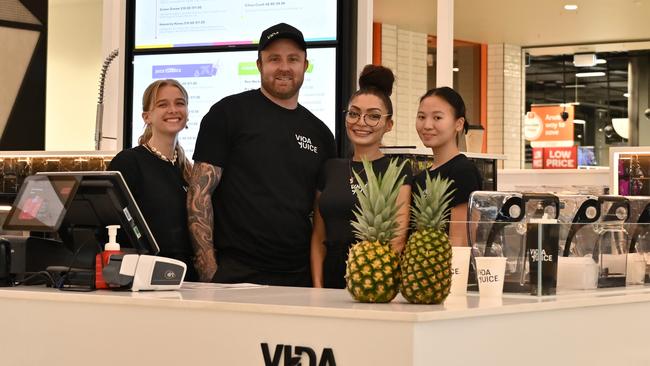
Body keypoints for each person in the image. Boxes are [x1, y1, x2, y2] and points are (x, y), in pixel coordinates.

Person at [188, 23, 336, 285]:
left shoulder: (321, 134)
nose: (284, 67)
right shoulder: (228, 113)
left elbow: (320, 217)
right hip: (236, 275)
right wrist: (208, 270)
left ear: (305, 65)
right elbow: (199, 195)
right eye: (274, 59)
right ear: (259, 65)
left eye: (293, 59)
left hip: (297, 277)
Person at [311, 65, 412, 289]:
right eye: (354, 113)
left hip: (375, 280)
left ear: (388, 125)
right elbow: (319, 237)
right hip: (330, 279)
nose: (361, 122)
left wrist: (374, 283)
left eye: (373, 116)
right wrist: (317, 287)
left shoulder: (397, 170)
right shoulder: (330, 168)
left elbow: (398, 239)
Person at [108, 79, 197, 281]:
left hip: (186, 276)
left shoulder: (187, 169)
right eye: (163, 104)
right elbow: (115, 225)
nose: (173, 110)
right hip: (145, 277)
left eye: (180, 103)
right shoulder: (129, 162)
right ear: (147, 116)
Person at [413, 87, 482, 246]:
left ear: (459, 124)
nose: (427, 125)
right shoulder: (419, 178)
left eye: (437, 117)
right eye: (421, 117)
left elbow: (460, 241)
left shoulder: (463, 171)